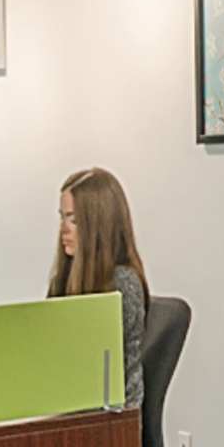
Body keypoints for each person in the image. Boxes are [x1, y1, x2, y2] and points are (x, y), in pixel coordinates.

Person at [47, 168, 150, 412]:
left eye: (74, 220)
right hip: (75, 412)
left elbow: (96, 373)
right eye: (62, 217)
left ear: (98, 224)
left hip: (110, 425)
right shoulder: (67, 277)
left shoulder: (123, 284)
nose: (64, 229)